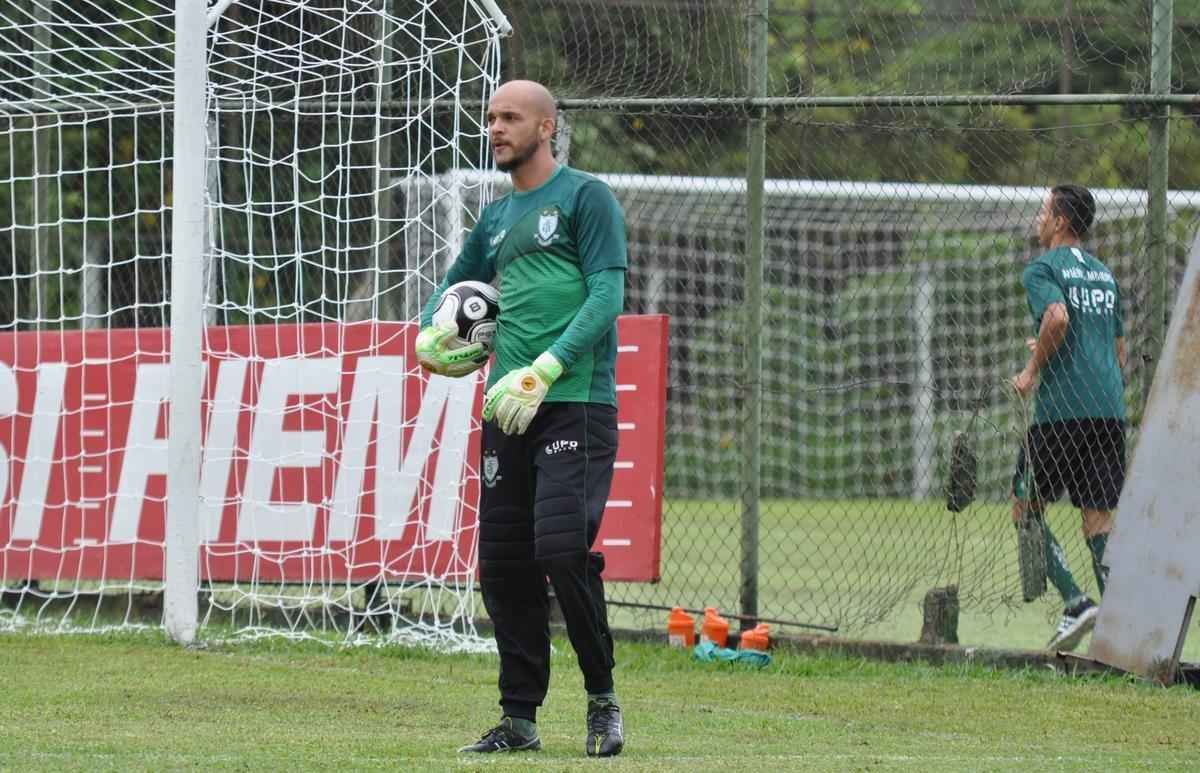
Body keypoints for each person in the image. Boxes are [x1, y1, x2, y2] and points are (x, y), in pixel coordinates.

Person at [414, 79, 627, 757]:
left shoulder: (584, 198)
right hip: (507, 408)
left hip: (574, 400)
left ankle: (602, 700)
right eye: (491, 117)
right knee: (503, 565)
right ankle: (520, 719)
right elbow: (455, 285)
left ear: (546, 127)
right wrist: (429, 335)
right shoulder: (498, 219)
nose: (496, 127)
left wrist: (548, 366)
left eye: (511, 117)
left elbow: (607, 292)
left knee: (562, 550)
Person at [1011, 184, 1127, 652]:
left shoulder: (1042, 269)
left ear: (1060, 221)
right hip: (1109, 412)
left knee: (1025, 507)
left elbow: (1056, 318)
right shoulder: (1105, 275)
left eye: (1043, 211)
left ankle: (1076, 603)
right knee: (1097, 518)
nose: (1037, 219)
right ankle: (1122, 625)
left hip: (1062, 412)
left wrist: (1032, 368)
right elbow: (1118, 353)